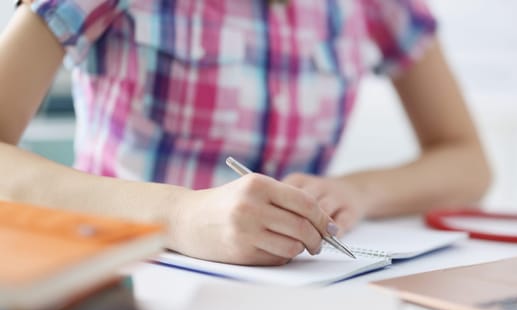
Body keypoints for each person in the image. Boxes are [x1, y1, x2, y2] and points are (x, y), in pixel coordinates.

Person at [0, 0, 491, 266]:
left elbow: (468, 161)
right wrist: (180, 215)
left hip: (299, 292)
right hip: (120, 278)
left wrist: (357, 192)